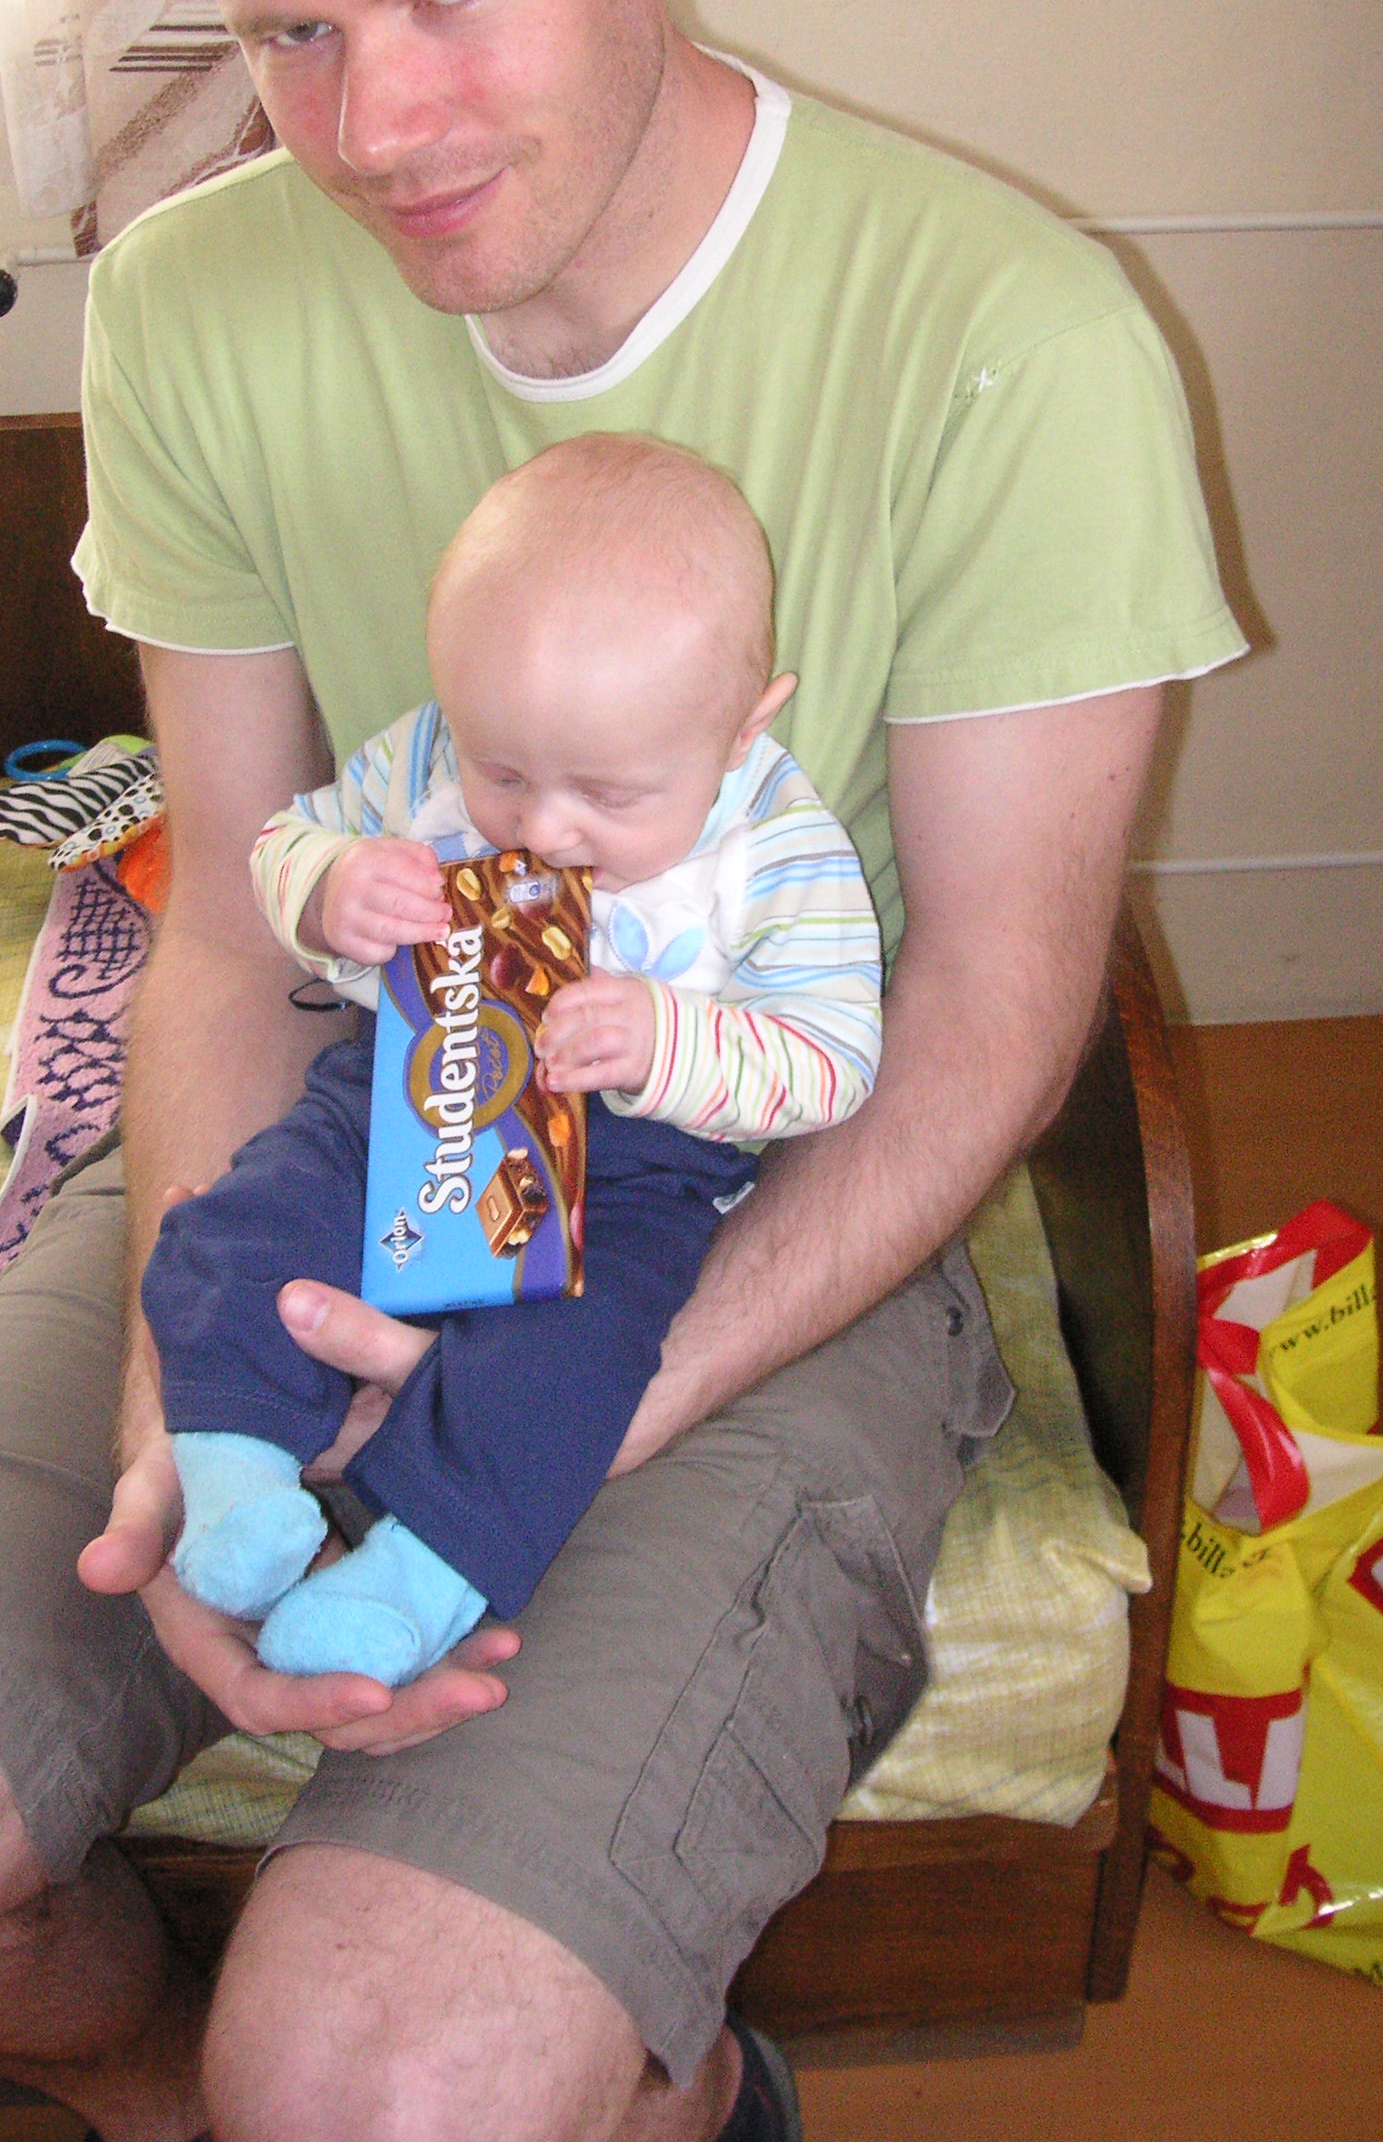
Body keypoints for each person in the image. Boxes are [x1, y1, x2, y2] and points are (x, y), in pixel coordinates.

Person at [0, 0, 1244, 2138]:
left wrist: (577, 1400)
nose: (374, 120)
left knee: (385, 2088)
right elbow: (223, 897)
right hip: (345, 1102)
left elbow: (986, 1014)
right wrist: (185, 1401)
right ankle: (174, 2089)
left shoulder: (1011, 338)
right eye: (285, 31)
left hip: (751, 1184)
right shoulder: (192, 306)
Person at [147, 435, 883, 1688]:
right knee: (248, 1218)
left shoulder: (775, 843)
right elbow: (282, 841)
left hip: (637, 1170)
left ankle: (416, 1575)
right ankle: (234, 1474)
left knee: (572, 1369)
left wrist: (667, 1043)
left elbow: (834, 1055)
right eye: (502, 772)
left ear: (741, 728)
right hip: (409, 1084)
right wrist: (331, 889)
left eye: (608, 793)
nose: (542, 826)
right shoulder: (428, 754)